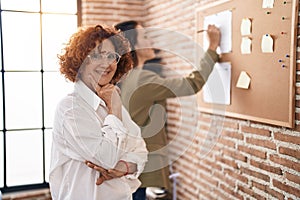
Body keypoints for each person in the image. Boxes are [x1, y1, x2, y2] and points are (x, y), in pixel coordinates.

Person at [114, 20, 221, 200]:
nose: (151, 41)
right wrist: (212, 47)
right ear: (135, 45)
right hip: (139, 165)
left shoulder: (128, 76)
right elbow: (191, 84)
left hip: (129, 163)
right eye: (145, 36)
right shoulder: (144, 78)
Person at [49, 25, 148, 200]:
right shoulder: (70, 108)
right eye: (96, 55)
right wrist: (115, 110)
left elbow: (141, 151)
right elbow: (107, 158)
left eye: (111, 56)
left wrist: (124, 167)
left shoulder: (109, 101)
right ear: (80, 61)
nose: (106, 63)